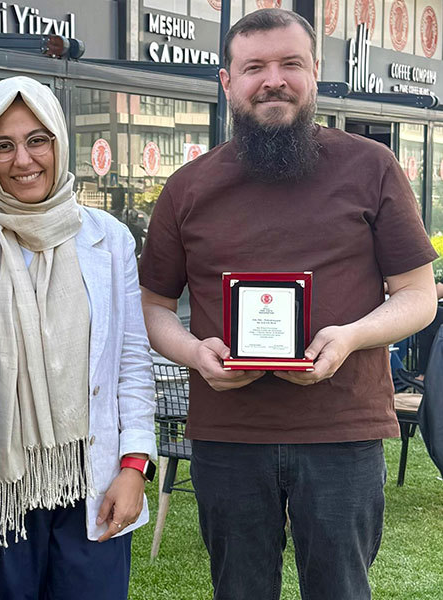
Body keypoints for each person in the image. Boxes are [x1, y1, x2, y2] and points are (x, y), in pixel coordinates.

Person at [138, 9, 438, 600]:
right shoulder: (188, 186)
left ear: (315, 72)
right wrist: (195, 353)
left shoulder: (371, 166)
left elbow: (418, 295)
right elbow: (154, 307)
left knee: (341, 590)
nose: (272, 80)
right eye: (254, 67)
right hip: (228, 435)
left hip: (342, 430)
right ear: (228, 82)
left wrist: (349, 337)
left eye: (290, 64)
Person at [0, 76, 157, 600]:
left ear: (59, 140)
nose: (23, 159)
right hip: (1, 487)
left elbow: (131, 358)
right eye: (3, 146)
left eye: (38, 140)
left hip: (93, 478)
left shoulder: (110, 238)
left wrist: (135, 466)